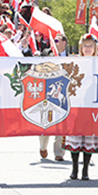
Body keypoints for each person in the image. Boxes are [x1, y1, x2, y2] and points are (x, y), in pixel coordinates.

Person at [63, 34, 98, 180]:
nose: (88, 48)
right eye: (85, 46)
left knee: (89, 136)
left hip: (92, 104)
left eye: (90, 46)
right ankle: (75, 167)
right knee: (76, 136)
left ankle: (86, 169)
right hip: (77, 104)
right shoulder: (74, 63)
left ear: (95, 48)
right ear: (81, 47)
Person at [38, 33, 68, 161]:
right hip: (47, 93)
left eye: (57, 40)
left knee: (62, 125)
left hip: (64, 94)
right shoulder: (46, 52)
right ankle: (43, 146)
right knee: (46, 122)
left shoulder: (71, 57)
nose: (54, 42)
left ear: (64, 43)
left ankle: (59, 153)